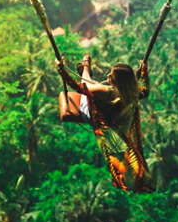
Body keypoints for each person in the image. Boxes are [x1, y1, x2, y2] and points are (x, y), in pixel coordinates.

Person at [56, 54, 155, 193]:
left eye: (111, 76)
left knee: (89, 86)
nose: (108, 75)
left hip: (97, 118)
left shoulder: (107, 92)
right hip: (116, 121)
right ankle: (87, 73)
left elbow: (78, 87)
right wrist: (144, 74)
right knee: (95, 87)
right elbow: (145, 90)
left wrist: (61, 69)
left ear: (117, 82)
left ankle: (86, 69)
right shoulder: (133, 93)